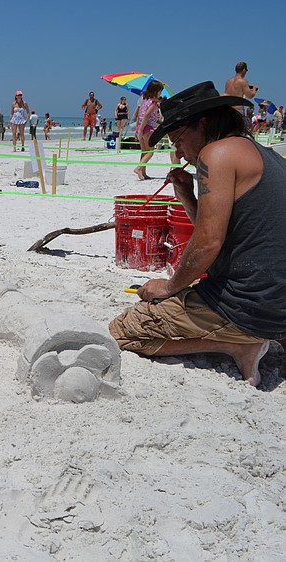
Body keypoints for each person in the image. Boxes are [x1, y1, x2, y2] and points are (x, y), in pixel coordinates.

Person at [109, 80, 286, 387]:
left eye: (177, 139)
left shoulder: (216, 154)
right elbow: (222, 230)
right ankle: (252, 337)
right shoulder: (266, 154)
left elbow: (207, 243)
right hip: (278, 300)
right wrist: (186, 195)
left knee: (124, 330)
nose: (178, 151)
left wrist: (170, 286)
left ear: (202, 124)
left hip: (251, 303)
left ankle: (238, 343)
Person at [133, 80, 163, 180]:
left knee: (144, 151)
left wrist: (138, 129)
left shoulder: (144, 100)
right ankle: (138, 168)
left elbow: (139, 115)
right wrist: (141, 130)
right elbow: (147, 115)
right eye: (160, 91)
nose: (160, 93)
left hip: (140, 126)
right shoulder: (154, 103)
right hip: (147, 127)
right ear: (155, 91)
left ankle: (143, 173)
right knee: (151, 151)